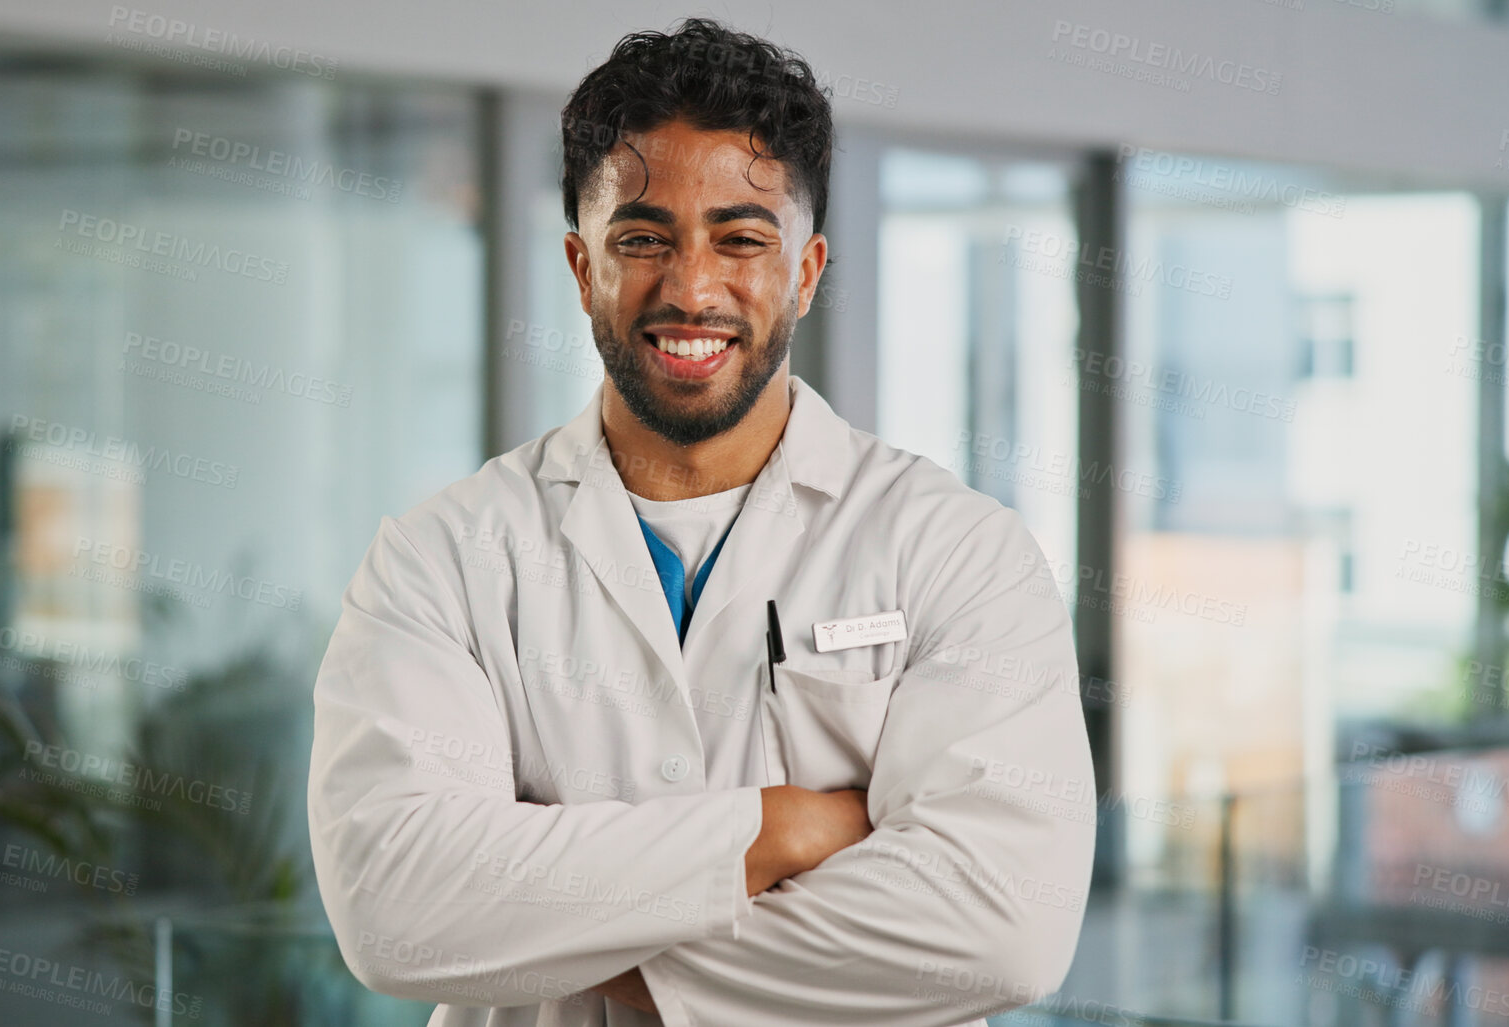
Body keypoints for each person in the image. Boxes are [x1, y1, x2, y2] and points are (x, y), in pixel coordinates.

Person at [308, 17, 1095, 1026]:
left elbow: (1004, 922)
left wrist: (590, 951)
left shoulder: (955, 552)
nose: (691, 287)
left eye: (740, 239)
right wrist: (780, 829)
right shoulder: (440, 563)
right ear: (581, 265)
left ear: (805, 272)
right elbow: (399, 911)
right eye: (642, 238)